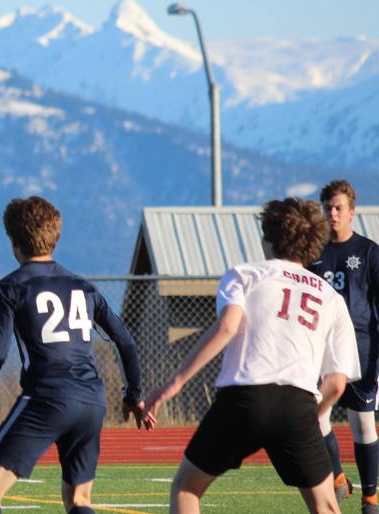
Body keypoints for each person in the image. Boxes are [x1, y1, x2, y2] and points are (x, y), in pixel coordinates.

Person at [144, 197, 360, 514]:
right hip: (297, 404)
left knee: (187, 488)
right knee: (326, 506)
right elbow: (337, 384)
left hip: (243, 398)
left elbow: (228, 326)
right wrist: (311, 417)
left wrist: (173, 384)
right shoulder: (330, 297)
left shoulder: (245, 274)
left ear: (267, 237)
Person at [0, 196, 148, 514]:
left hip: (47, 397)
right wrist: (134, 395)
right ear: (56, 235)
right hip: (92, 400)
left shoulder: (11, 288)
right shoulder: (84, 287)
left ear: (13, 241)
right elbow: (126, 342)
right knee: (79, 501)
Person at [310, 179, 379, 513]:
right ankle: (338, 479)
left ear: (352, 211)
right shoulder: (313, 253)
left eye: (338, 208)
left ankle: (370, 499)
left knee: (362, 422)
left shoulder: (369, 252)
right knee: (316, 413)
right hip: (320, 347)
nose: (333, 214)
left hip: (360, 345)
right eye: (328, 208)